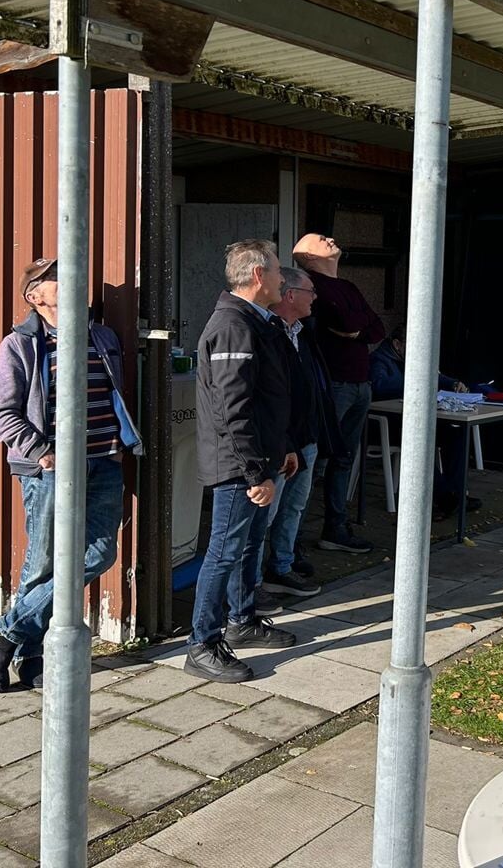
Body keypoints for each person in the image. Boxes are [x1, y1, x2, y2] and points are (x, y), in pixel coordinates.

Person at [0, 257, 143, 693]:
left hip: (105, 462)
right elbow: (2, 416)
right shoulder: (19, 345)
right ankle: (33, 654)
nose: (70, 280)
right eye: (54, 278)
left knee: (101, 555)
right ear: (35, 297)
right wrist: (44, 453)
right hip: (50, 471)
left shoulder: (101, 336)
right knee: (45, 561)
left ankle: (8, 631)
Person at [186, 239, 302, 683]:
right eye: (276, 271)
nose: (281, 279)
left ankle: (242, 620)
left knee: (250, 544)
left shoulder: (255, 321)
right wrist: (257, 472)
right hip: (239, 467)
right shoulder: (233, 326)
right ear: (257, 276)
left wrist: (284, 447)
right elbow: (232, 409)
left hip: (260, 460)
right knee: (224, 551)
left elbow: (269, 396)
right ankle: (203, 643)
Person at [292, 232, 381, 554]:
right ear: (309, 257)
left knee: (344, 457)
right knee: (314, 461)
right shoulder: (311, 287)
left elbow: (376, 328)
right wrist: (359, 327)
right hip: (334, 385)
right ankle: (293, 539)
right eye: (319, 239)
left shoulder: (349, 287)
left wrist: (357, 330)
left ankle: (335, 527)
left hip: (360, 383)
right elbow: (346, 320)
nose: (329, 238)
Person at [256, 266, 335, 602]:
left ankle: (282, 566)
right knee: (265, 515)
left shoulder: (302, 332)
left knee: (295, 507)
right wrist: (285, 442)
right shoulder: (265, 332)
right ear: (290, 295)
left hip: (307, 437)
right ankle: (252, 582)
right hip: (279, 442)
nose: (315, 298)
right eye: (310, 292)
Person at [369, 322, 477, 519]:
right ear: (397, 344)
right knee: (420, 441)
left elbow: (436, 377)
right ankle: (443, 495)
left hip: (411, 422)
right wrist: (416, 380)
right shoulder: (379, 360)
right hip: (389, 425)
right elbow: (379, 386)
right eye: (413, 344)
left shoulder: (412, 360)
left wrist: (452, 383)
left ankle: (455, 494)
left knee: (457, 433)